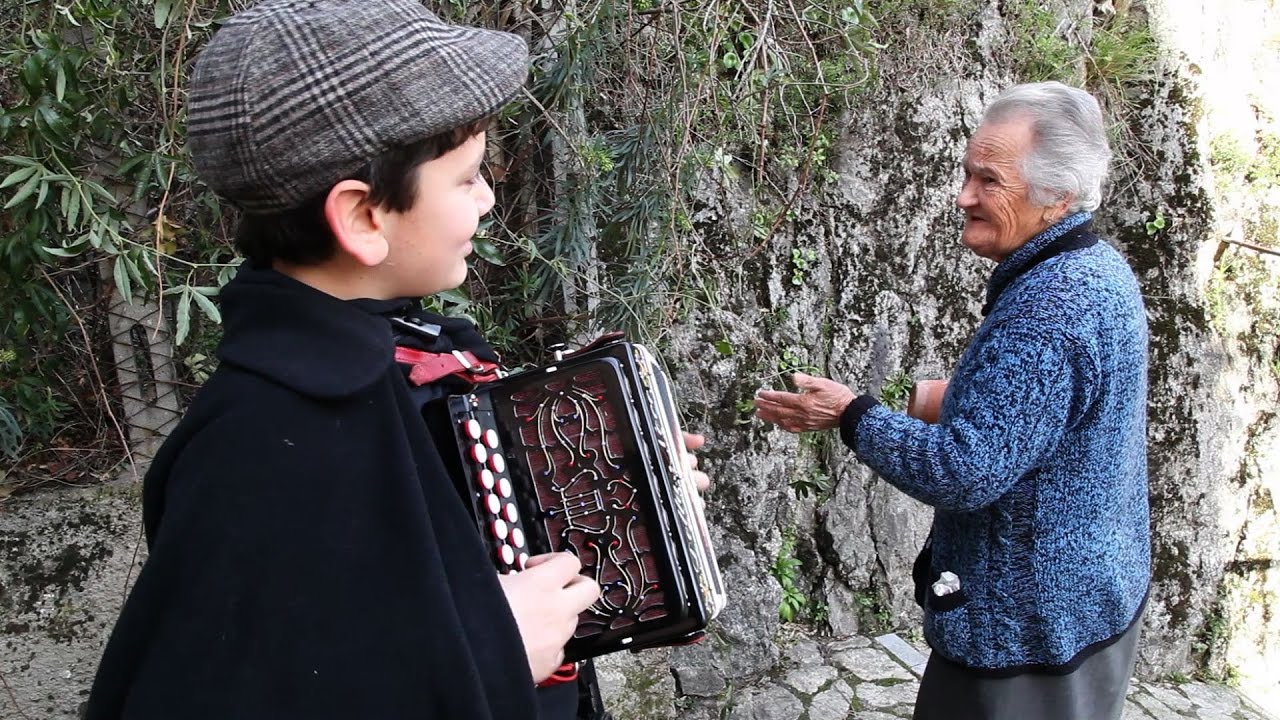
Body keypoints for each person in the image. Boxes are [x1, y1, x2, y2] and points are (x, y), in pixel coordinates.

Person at [84, 2, 701, 717]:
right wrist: (484, 648)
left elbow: (447, 557)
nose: (489, 197)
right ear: (363, 218)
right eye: (467, 177)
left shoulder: (412, 353)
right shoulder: (252, 448)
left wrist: (619, 499)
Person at [754, 81, 1150, 720]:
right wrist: (945, 398)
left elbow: (964, 472)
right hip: (1093, 593)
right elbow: (1065, 415)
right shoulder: (1098, 270)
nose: (963, 196)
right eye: (967, 173)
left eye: (987, 180)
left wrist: (851, 414)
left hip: (1027, 634)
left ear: (1058, 197)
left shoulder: (1052, 308)